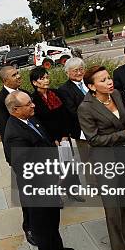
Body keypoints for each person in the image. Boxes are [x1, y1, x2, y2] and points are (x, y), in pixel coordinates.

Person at [78, 65, 125, 250]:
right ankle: (121, 246)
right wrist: (124, 134)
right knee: (113, 205)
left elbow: (123, 121)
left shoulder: (117, 95)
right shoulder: (85, 108)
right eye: (102, 80)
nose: (109, 82)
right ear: (91, 87)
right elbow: (94, 140)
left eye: (108, 78)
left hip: (124, 154)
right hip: (105, 160)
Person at [3, 90, 75, 250]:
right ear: (16, 110)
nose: (33, 105)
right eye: (28, 104)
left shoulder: (31, 119)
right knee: (42, 224)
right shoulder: (14, 134)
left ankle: (57, 248)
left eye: (31, 102)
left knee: (53, 218)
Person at [0, 66, 35, 246]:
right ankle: (29, 226)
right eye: (14, 75)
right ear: (4, 80)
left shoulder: (24, 93)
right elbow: (6, 131)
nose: (19, 76)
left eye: (18, 73)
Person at [29, 66, 84, 202]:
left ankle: (72, 191)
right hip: (49, 139)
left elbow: (65, 115)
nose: (46, 80)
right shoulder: (33, 99)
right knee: (54, 168)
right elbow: (38, 122)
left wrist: (65, 134)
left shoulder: (56, 93)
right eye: (42, 78)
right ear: (35, 82)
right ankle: (56, 196)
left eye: (47, 77)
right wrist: (52, 139)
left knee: (68, 164)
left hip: (64, 136)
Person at [57, 57, 91, 181]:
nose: (79, 73)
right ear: (67, 73)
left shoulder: (89, 82)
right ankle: (94, 185)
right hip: (82, 129)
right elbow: (72, 111)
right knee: (88, 158)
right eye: (75, 70)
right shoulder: (64, 90)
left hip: (101, 126)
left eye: (81, 69)